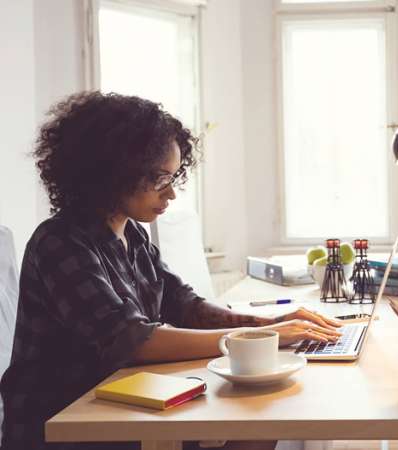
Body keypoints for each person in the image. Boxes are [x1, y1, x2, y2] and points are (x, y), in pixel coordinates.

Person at [0, 91, 342, 450]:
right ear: (112, 173)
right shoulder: (59, 242)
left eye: (173, 177)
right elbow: (132, 341)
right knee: (258, 415)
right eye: (160, 179)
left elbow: (186, 306)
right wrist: (259, 339)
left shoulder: (131, 234)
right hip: (66, 429)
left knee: (263, 414)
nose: (171, 194)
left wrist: (269, 326)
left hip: (126, 406)